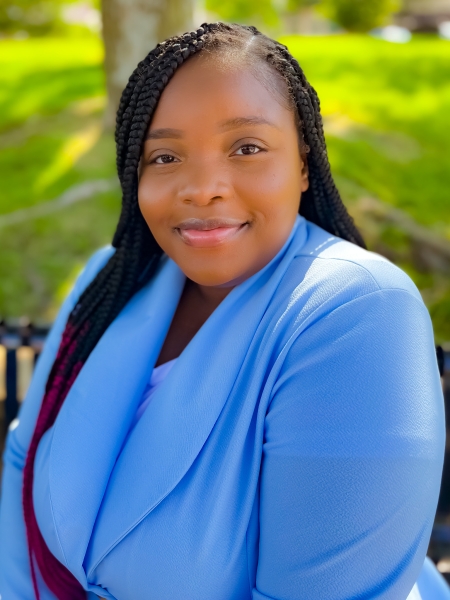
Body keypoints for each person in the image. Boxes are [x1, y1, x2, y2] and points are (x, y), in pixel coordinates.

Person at [0, 22, 447, 600]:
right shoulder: (108, 281)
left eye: (247, 148)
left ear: (305, 163)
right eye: (164, 155)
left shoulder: (357, 312)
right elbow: (23, 464)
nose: (202, 187)